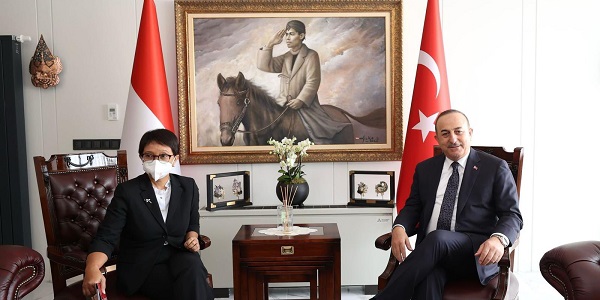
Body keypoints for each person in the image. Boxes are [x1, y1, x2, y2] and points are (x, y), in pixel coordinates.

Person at [372, 109, 523, 300]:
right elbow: (413, 207)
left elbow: (512, 215)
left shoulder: (495, 167)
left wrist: (498, 239)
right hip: (431, 257)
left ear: (470, 133)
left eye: (458, 131)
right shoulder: (426, 169)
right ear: (436, 138)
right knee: (427, 280)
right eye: (445, 133)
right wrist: (400, 227)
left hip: (474, 254)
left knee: (438, 238)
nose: (453, 139)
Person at [82, 129, 213, 300]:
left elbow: (192, 223)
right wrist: (91, 268)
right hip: (142, 266)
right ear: (142, 158)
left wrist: (192, 237)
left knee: (192, 265)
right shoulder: (128, 191)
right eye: (149, 155)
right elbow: (107, 237)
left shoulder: (188, 186)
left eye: (164, 155)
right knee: (189, 282)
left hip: (179, 256)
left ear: (175, 159)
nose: (156, 161)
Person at [257, 20, 351, 144]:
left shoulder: (311, 55)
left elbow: (313, 81)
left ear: (301, 36)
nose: (287, 38)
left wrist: (300, 100)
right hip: (283, 104)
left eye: (291, 34)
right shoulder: (286, 57)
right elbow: (264, 66)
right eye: (286, 34)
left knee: (320, 137)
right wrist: (270, 44)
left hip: (306, 106)